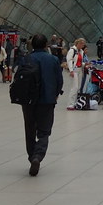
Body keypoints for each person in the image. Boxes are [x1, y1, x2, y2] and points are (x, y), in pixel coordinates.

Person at [20, 33, 64, 176]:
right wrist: (56, 93)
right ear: (46, 45)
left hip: (28, 101)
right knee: (44, 131)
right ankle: (38, 156)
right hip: (47, 100)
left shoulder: (26, 59)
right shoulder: (53, 60)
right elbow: (59, 80)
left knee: (30, 129)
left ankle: (32, 156)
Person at [64, 38, 87, 108]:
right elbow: (69, 60)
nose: (82, 46)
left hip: (80, 70)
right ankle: (70, 104)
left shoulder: (81, 51)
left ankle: (74, 103)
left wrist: (85, 64)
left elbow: (79, 62)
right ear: (78, 43)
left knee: (78, 87)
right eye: (82, 44)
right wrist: (71, 70)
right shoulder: (72, 50)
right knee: (74, 87)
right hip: (74, 70)